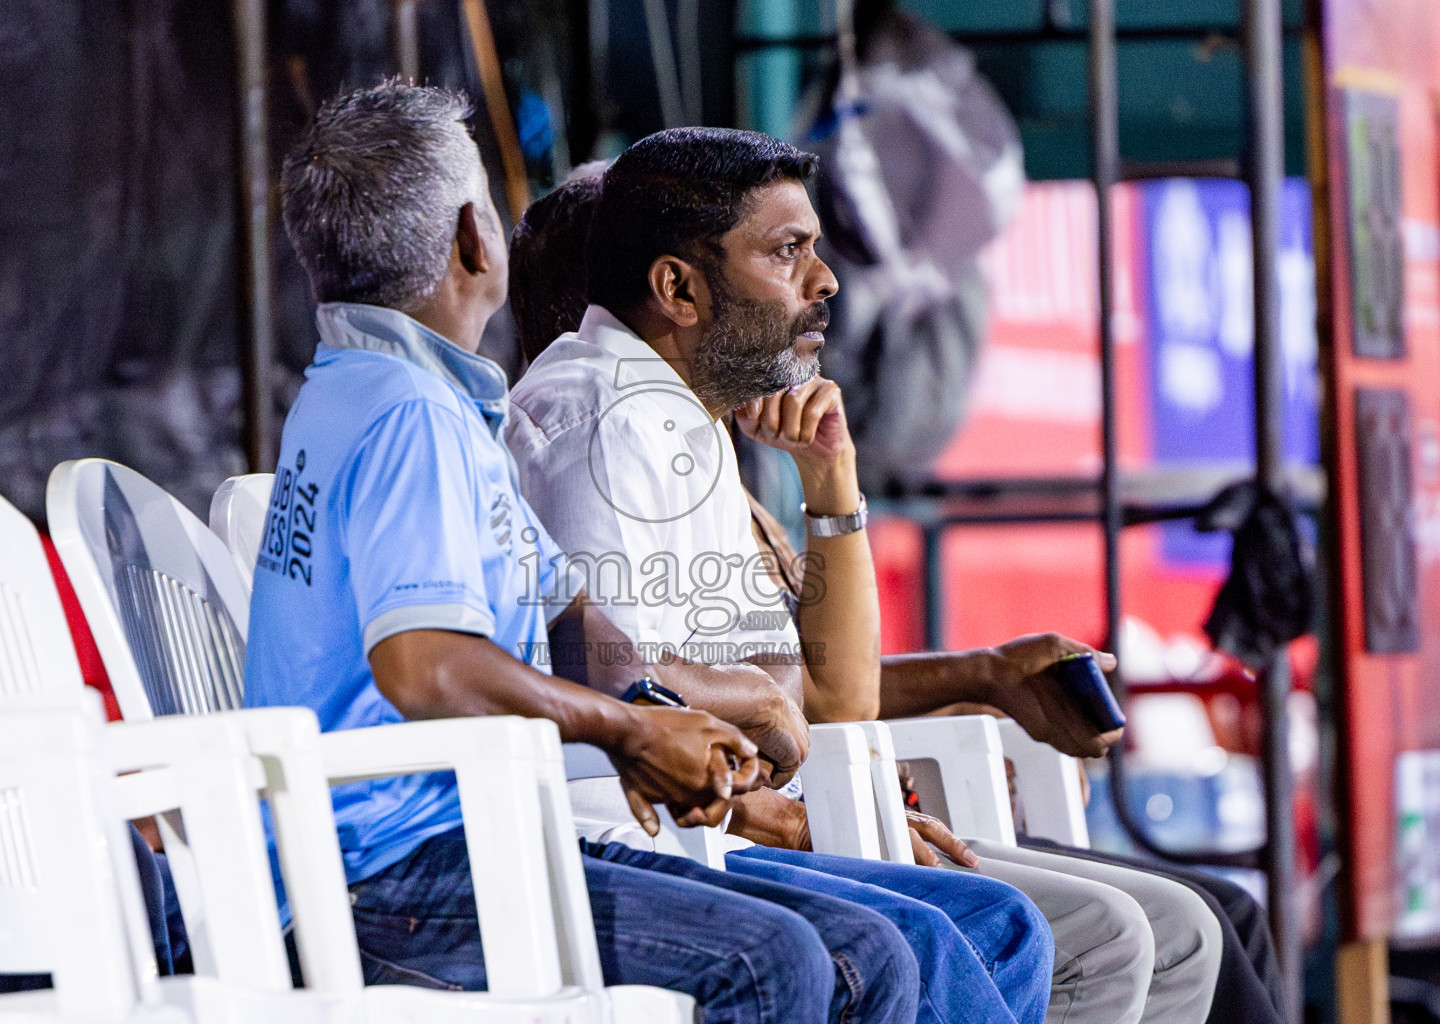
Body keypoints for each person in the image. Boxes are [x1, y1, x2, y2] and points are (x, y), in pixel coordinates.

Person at [246, 81, 937, 1024]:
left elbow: (569, 619)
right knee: (777, 964)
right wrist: (630, 732)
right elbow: (424, 664)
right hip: (394, 873)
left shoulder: (400, 398)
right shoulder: (408, 417)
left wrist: (678, 706)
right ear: (470, 240)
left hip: (463, 839)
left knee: (867, 947)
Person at [504, 133, 1229, 1024]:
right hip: (642, 837)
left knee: (1157, 924)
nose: (826, 281)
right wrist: (815, 808)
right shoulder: (594, 420)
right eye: (786, 252)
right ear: (677, 289)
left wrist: (831, 480)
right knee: (1006, 930)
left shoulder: (680, 420)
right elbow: (621, 695)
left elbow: (821, 699)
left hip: (755, 810)